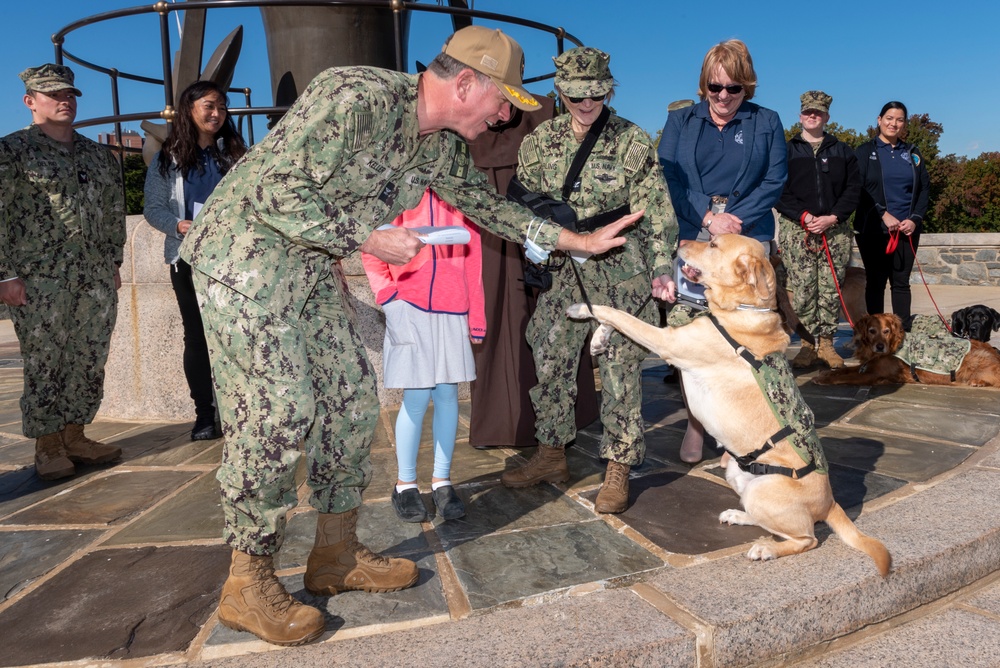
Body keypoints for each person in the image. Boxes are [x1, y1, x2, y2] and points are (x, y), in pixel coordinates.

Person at [178, 26, 642, 647]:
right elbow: (274, 187)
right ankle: (247, 580)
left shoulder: (441, 146)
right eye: (503, 100)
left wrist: (579, 242)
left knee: (350, 402)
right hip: (245, 256)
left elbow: (489, 207)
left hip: (310, 261)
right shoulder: (355, 95)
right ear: (467, 83)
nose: (506, 114)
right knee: (278, 415)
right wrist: (371, 239)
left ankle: (335, 554)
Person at [498, 46, 677, 514]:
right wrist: (538, 245)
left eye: (595, 94)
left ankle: (618, 465)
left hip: (621, 270)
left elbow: (657, 212)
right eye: (576, 95)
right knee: (551, 358)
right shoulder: (539, 143)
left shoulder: (631, 142)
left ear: (608, 89)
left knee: (619, 368)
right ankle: (552, 453)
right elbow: (523, 205)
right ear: (560, 92)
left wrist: (661, 268)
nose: (586, 103)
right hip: (561, 270)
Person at [657, 39, 787, 464]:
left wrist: (735, 219)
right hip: (697, 239)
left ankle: (744, 425)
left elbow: (774, 180)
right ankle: (696, 425)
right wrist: (710, 221)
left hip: (747, 239)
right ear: (704, 86)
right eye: (716, 88)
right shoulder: (680, 121)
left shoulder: (766, 121)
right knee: (692, 332)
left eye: (735, 89)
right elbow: (670, 178)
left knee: (742, 339)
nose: (724, 97)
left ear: (747, 86)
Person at [0, 64, 126, 481]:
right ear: (30, 101)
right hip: (39, 280)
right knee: (45, 362)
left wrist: (113, 263)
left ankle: (76, 435)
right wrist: (5, 275)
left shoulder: (97, 154)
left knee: (89, 357)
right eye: (53, 94)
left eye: (69, 94)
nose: (64, 101)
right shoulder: (11, 151)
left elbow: (113, 213)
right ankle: (48, 444)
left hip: (92, 278)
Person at [467, 94, 600, 448]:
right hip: (486, 231)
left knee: (554, 317)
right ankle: (506, 423)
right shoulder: (464, 121)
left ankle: (568, 413)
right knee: (498, 318)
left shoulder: (542, 111)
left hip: (543, 223)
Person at [363, 189, 482, 522]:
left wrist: (477, 317)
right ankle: (406, 484)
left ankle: (442, 481)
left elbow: (474, 261)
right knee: (414, 398)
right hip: (409, 307)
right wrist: (388, 296)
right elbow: (371, 243)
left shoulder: (459, 195)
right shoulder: (400, 190)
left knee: (448, 397)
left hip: (453, 310)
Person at [143, 81, 247, 441]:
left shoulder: (236, 154)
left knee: (239, 334)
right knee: (198, 337)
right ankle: (205, 415)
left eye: (221, 106)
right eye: (208, 106)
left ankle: (243, 411)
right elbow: (153, 208)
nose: (216, 113)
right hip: (187, 259)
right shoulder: (167, 157)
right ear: (189, 110)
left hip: (234, 260)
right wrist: (178, 225)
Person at [776, 91, 861, 369]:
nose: (812, 116)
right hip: (797, 231)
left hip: (833, 232)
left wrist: (832, 217)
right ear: (800, 116)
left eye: (818, 113)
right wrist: (804, 216)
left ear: (826, 117)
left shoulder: (842, 150)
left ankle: (826, 344)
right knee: (801, 290)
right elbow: (778, 190)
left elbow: (853, 189)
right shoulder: (786, 151)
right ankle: (808, 344)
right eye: (808, 112)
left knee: (829, 289)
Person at [854, 101, 930, 322]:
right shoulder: (865, 151)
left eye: (899, 119)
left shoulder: (913, 153)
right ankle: (876, 335)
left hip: (907, 230)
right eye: (889, 118)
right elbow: (858, 188)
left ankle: (901, 333)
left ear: (904, 123)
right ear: (879, 120)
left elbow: (924, 188)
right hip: (874, 230)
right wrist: (883, 214)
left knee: (901, 282)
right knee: (876, 282)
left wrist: (915, 219)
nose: (893, 123)